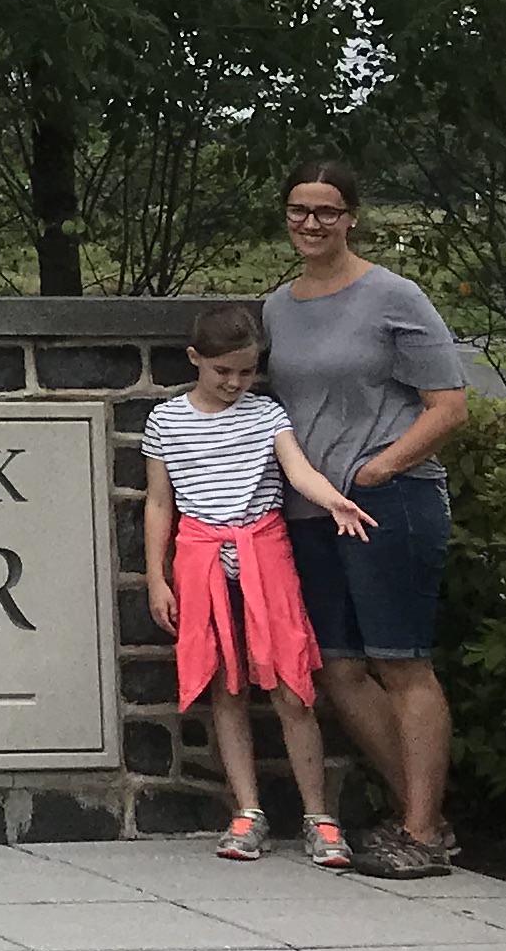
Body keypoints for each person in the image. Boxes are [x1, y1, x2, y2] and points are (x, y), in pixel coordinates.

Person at [262, 160, 474, 879]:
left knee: (400, 661)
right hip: (311, 510)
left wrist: (380, 469)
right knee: (339, 668)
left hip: (390, 502)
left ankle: (419, 832)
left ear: (352, 216)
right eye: (300, 209)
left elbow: (448, 405)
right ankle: (427, 817)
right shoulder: (277, 307)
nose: (311, 223)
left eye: (327, 211)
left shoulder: (394, 296)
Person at [144, 305, 374, 867]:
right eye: (222, 371)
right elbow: (159, 503)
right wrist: (156, 577)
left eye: (246, 372)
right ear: (195, 358)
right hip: (201, 561)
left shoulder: (267, 414)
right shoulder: (165, 421)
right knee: (227, 688)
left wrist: (334, 501)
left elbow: (297, 470)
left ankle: (319, 816)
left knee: (292, 685)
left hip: (264, 555)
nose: (234, 382)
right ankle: (248, 812)